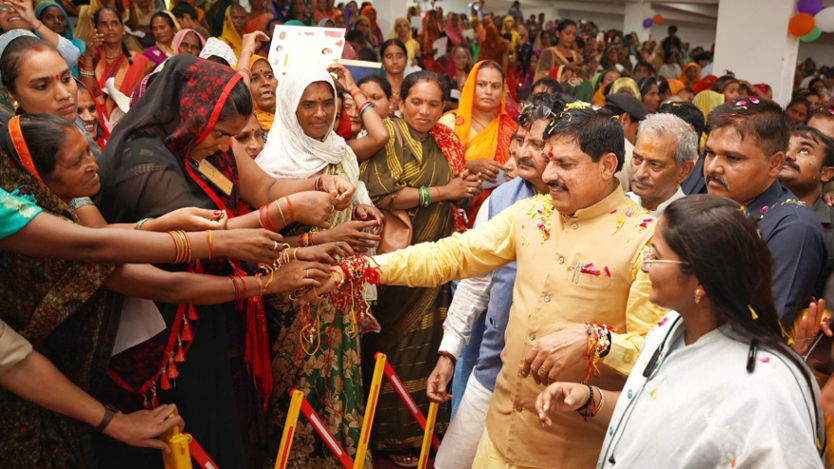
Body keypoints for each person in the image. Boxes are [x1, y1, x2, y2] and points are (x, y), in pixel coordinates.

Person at [0, 111, 334, 469]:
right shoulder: (139, 169)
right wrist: (247, 267)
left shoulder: (60, 210)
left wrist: (162, 226)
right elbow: (145, 272)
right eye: (76, 159)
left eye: (88, 150)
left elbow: (105, 238)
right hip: (61, 394)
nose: (94, 161)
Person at [343, 105, 666, 467]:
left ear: (607, 166)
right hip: (499, 436)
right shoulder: (531, 214)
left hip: (571, 449)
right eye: (550, 160)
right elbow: (452, 256)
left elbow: (655, 354)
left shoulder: (645, 239)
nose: (551, 173)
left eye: (566, 164)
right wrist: (362, 268)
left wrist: (594, 341)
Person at [94, 54, 350, 468]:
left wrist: (318, 182)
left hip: (212, 303)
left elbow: (264, 186)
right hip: (162, 315)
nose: (223, 145)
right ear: (189, 117)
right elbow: (198, 238)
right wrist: (288, 216)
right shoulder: (143, 161)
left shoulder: (211, 139)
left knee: (223, 416)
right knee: (188, 423)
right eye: (219, 135)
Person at [535, 195, 825, 468]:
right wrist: (589, 398)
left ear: (701, 279)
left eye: (657, 256)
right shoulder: (668, 329)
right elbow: (651, 414)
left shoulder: (765, 384)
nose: (646, 266)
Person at [427, 100, 561, 469]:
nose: (520, 151)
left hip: (551, 387)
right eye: (519, 140)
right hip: (492, 368)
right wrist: (449, 352)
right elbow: (474, 283)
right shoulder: (500, 200)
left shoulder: (582, 207)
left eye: (536, 144)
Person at [358, 70, 480, 466]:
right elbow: (381, 191)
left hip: (437, 259)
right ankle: (386, 437)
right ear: (400, 102)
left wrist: (462, 186)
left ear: (444, 106)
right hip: (399, 263)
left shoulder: (444, 142)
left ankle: (418, 432)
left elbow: (452, 190)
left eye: (433, 104)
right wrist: (445, 192)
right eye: (416, 102)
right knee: (393, 345)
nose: (424, 112)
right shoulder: (390, 136)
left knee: (427, 346)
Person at [704, 98, 824, 323]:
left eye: (732, 158)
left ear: (775, 164)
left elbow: (765, 328)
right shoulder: (711, 204)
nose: (712, 167)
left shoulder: (794, 229)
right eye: (709, 153)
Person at [439, 60, 518, 226]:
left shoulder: (512, 129)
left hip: (498, 216)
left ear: (503, 90)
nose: (488, 92)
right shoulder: (449, 123)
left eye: (495, 86)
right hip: (448, 214)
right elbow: (430, 168)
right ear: (470, 87)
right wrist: (470, 165)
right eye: (481, 85)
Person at [779, 126, 834, 292]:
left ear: (826, 173)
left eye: (804, 151)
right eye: (784, 147)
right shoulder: (752, 208)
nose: (788, 155)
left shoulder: (831, 229)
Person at [78, 7, 149, 121]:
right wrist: (89, 57)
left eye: (114, 23)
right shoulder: (89, 57)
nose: (110, 28)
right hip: (96, 122)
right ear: (96, 29)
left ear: (123, 28)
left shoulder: (141, 61)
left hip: (129, 122)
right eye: (104, 24)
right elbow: (86, 93)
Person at [627, 113, 697, 215]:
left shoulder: (690, 222)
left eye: (655, 165)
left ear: (684, 170)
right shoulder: (617, 206)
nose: (640, 173)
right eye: (637, 159)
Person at [0, 0, 80, 71]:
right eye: (3, 8)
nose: (12, 11)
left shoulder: (45, 40)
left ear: (33, 11)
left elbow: (72, 57)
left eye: (19, 5)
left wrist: (34, 21)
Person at [34, 1, 86, 75]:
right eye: (49, 18)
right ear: (39, 22)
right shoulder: (33, 49)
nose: (57, 21)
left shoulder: (81, 45)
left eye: (61, 18)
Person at [248, 54, 277, 131]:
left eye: (269, 76)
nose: (265, 82)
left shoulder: (290, 118)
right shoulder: (244, 129)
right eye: (254, 79)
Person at [381, 39, 408, 112]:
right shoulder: (377, 88)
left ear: (406, 60)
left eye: (399, 56)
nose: (395, 61)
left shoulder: (412, 89)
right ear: (382, 61)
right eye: (389, 56)